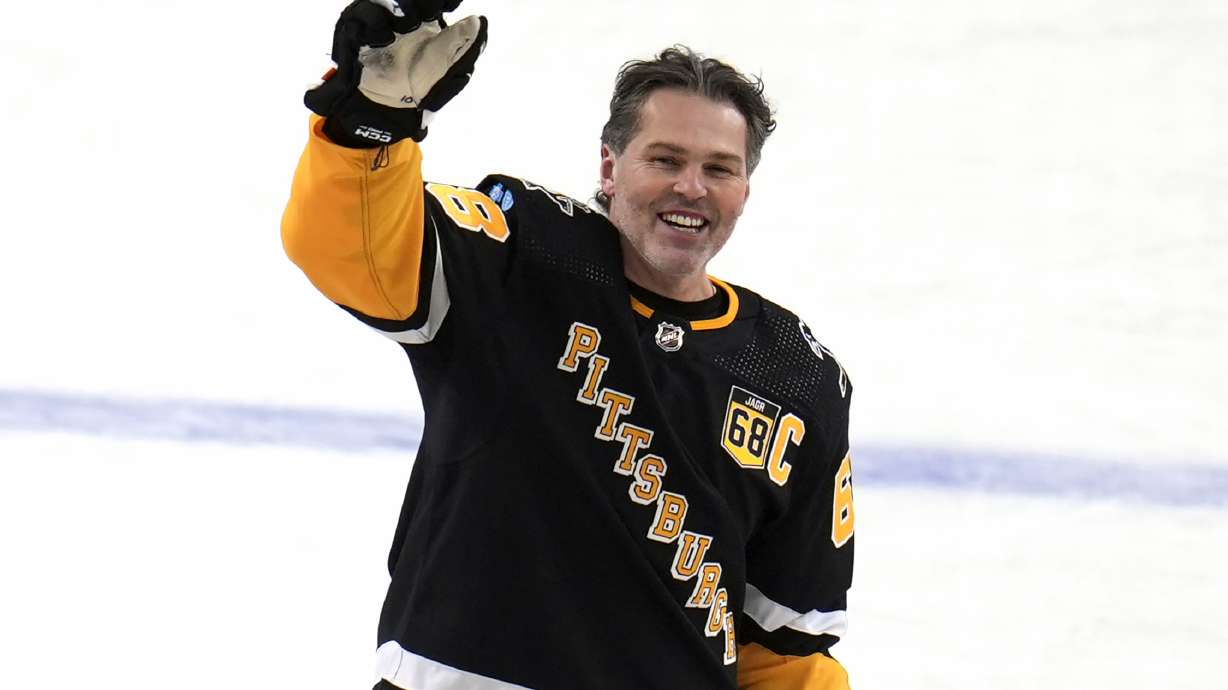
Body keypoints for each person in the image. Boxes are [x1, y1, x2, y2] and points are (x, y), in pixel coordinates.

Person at [282, 1, 856, 688]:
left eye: (720, 169)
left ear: (745, 190)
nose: (691, 188)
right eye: (665, 159)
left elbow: (784, 653)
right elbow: (355, 255)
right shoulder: (521, 258)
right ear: (611, 168)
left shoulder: (795, 373)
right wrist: (370, 124)